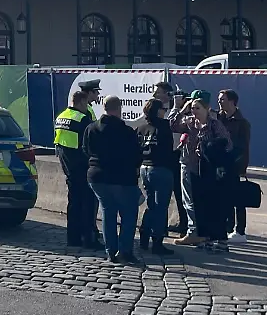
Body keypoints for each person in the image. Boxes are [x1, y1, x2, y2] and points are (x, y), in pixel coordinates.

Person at [84, 95, 143, 265]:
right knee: (128, 215)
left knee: (108, 213)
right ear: (119, 108)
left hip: (96, 176)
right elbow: (135, 156)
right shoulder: (126, 131)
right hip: (121, 178)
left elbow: (85, 150)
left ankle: (110, 251)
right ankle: (125, 251)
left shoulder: (91, 128)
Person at [171, 90, 231, 248]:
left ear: (206, 109)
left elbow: (227, 144)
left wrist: (210, 149)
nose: (193, 111)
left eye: (197, 108)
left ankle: (209, 236)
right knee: (192, 201)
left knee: (209, 203)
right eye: (192, 108)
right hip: (190, 165)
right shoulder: (189, 122)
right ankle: (198, 234)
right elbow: (172, 125)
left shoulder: (214, 124)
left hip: (208, 169)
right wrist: (180, 109)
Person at [55, 86, 101, 249]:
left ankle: (73, 238)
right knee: (87, 204)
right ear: (81, 102)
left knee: (73, 204)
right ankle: (89, 239)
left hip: (68, 168)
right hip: (82, 167)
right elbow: (90, 145)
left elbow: (59, 145)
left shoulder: (61, 117)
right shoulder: (82, 119)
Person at [136, 99, 176, 255]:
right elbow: (168, 150)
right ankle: (157, 242)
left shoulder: (141, 128)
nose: (165, 111)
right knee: (161, 207)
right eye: (163, 109)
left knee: (151, 204)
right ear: (158, 111)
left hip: (145, 168)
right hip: (161, 169)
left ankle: (144, 235)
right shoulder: (163, 127)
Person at [152, 81, 188, 235]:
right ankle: (161, 226)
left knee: (180, 194)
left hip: (176, 155)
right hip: (163, 156)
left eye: (158, 92)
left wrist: (178, 107)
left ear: (168, 94)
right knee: (161, 194)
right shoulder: (156, 110)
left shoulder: (179, 111)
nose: (154, 95)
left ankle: (184, 225)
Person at [217, 89, 251, 243]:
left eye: (222, 99)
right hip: (219, 164)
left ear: (232, 102)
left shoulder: (242, 123)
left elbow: (243, 147)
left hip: (234, 165)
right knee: (224, 198)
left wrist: (241, 167)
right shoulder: (219, 118)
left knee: (238, 198)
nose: (220, 102)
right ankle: (227, 227)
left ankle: (240, 231)